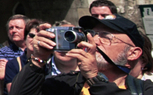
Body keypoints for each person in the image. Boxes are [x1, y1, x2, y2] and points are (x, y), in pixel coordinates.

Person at [9, 15, 153, 95]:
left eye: (106, 37)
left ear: (133, 53)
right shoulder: (66, 84)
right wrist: (38, 60)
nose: (94, 40)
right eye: (93, 33)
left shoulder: (144, 89)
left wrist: (94, 79)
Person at [3, 19, 43, 93]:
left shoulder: (52, 62)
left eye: (39, 37)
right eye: (31, 36)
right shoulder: (13, 64)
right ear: (25, 38)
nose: (34, 39)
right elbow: (12, 92)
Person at [0, 15, 29, 95]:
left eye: (18, 27)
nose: (13, 31)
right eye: (11, 28)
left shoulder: (34, 50)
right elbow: (2, 75)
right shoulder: (4, 52)